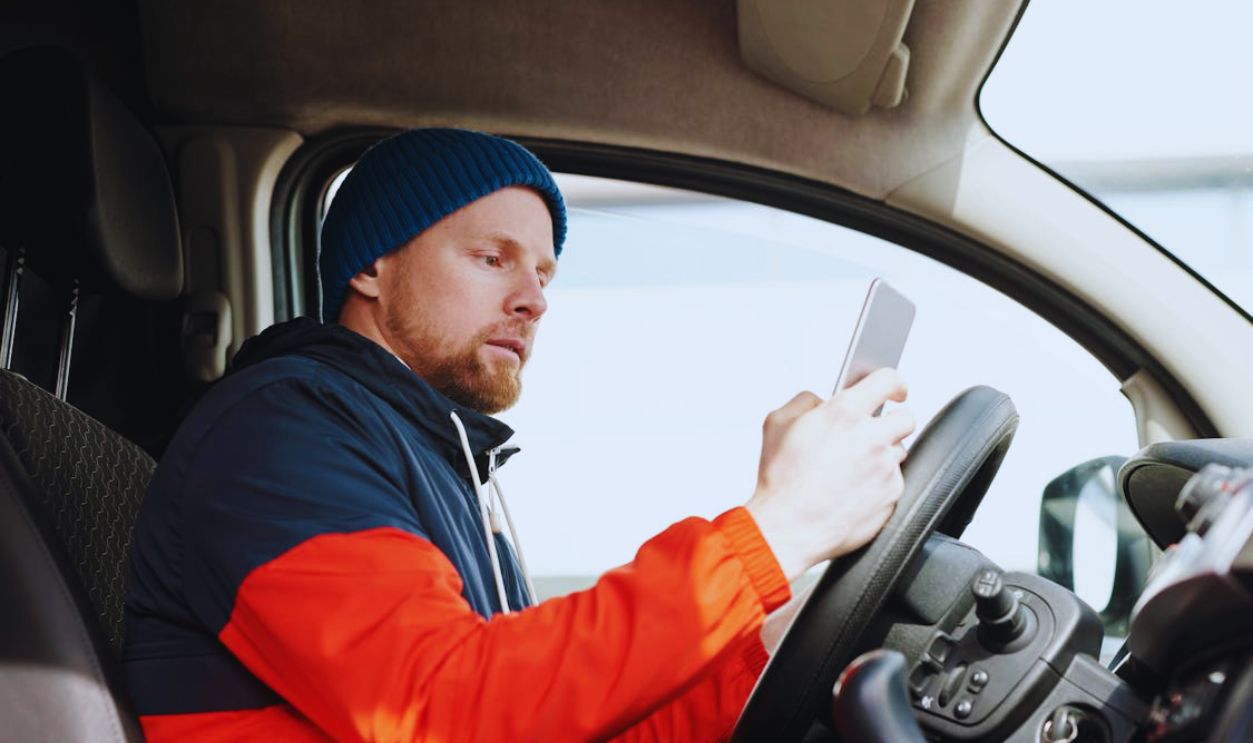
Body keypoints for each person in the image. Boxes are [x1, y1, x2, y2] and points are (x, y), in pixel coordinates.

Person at [122, 127, 915, 742]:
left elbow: (548, 718)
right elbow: (444, 710)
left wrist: (771, 643)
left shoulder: (436, 459)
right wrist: (773, 531)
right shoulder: (276, 435)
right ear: (372, 267)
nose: (532, 299)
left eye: (542, 274)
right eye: (492, 257)